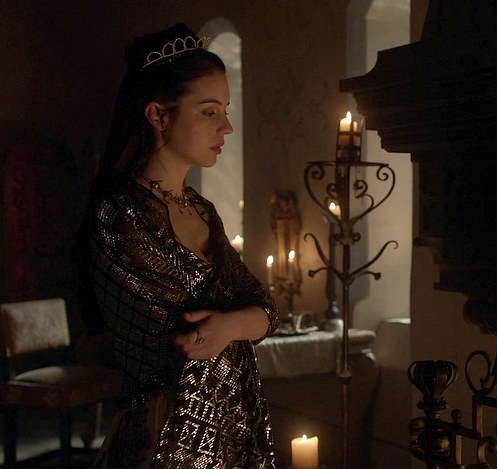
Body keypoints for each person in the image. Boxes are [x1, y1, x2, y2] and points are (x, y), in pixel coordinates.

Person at [77, 23, 280, 468]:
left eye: (225, 110)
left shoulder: (203, 211)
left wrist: (231, 324)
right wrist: (238, 320)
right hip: (163, 435)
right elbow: (184, 333)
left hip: (234, 430)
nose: (226, 126)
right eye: (209, 111)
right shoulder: (119, 214)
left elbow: (267, 307)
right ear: (158, 116)